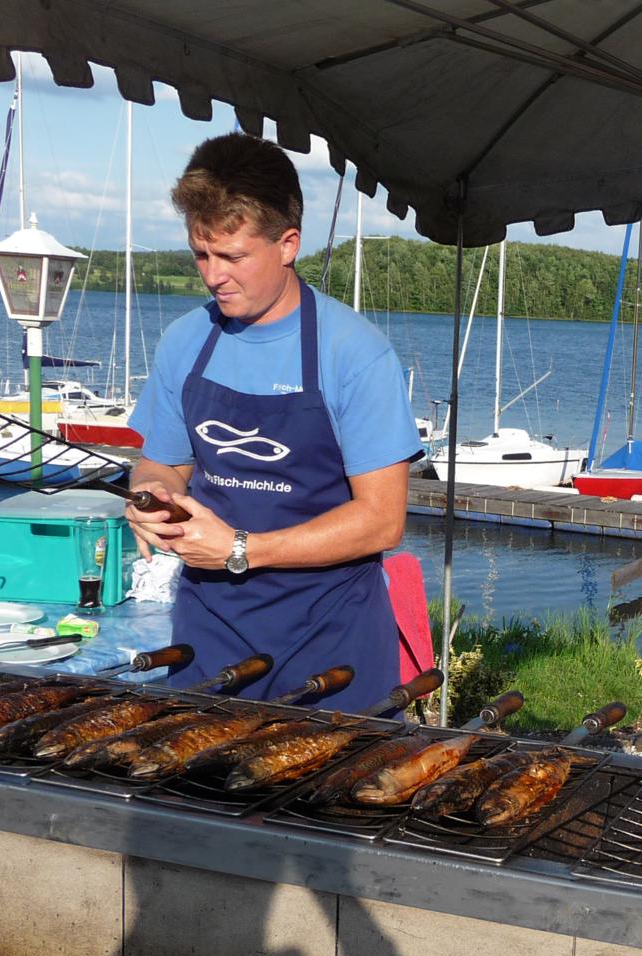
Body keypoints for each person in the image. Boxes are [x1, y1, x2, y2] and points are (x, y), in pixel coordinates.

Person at [126, 132, 421, 711]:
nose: (213, 276)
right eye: (201, 255)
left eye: (233, 257)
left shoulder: (354, 353)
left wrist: (241, 548)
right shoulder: (185, 342)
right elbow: (163, 461)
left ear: (288, 245)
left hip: (330, 641)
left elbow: (383, 521)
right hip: (209, 634)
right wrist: (149, 496)